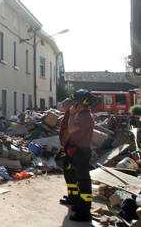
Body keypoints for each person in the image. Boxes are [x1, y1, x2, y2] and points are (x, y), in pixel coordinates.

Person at [63, 90, 95, 222]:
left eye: (77, 101)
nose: (74, 104)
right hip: (76, 151)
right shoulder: (82, 114)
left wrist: (71, 115)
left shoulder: (84, 116)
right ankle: (78, 203)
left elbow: (71, 130)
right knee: (73, 175)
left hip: (81, 152)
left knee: (83, 181)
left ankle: (84, 212)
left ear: (82, 102)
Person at [57, 98, 77, 206]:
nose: (62, 108)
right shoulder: (68, 114)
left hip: (70, 149)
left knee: (70, 175)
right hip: (68, 148)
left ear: (69, 105)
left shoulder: (71, 115)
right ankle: (71, 195)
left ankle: (73, 198)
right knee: (68, 175)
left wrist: (64, 144)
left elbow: (69, 131)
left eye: (64, 105)